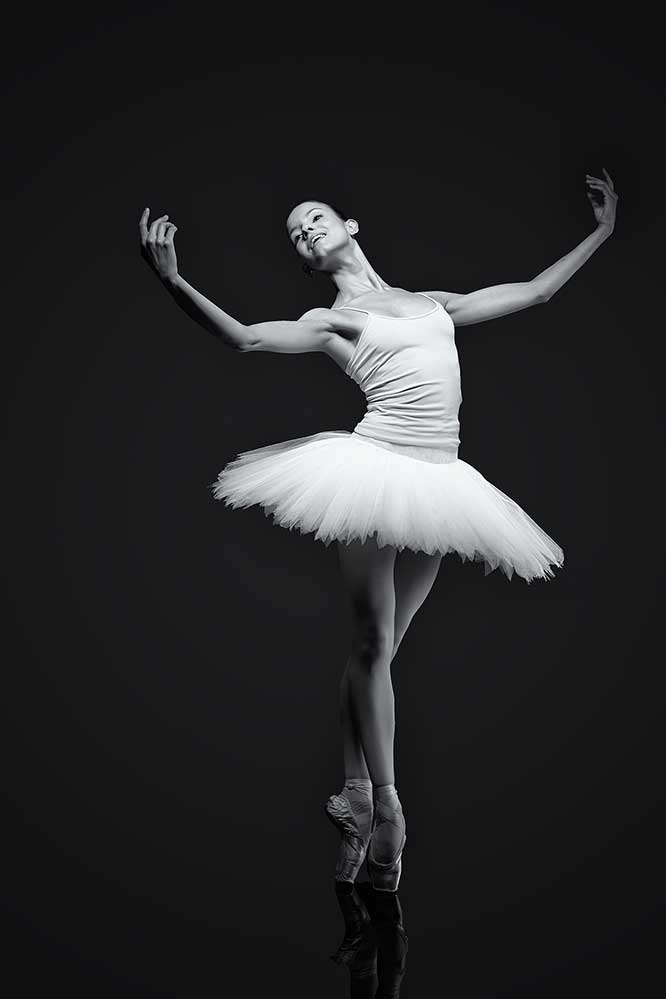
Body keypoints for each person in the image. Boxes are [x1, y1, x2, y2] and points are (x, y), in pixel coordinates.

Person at [138, 170, 618, 892]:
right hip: (374, 470)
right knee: (370, 640)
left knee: (382, 651)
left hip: (439, 479)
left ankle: (356, 797)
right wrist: (174, 281)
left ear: (349, 226)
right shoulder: (331, 318)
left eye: (316, 216)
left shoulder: (432, 303)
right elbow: (245, 339)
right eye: (296, 232)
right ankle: (389, 808)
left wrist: (602, 232)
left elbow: (535, 292)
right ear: (306, 260)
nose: (306, 229)